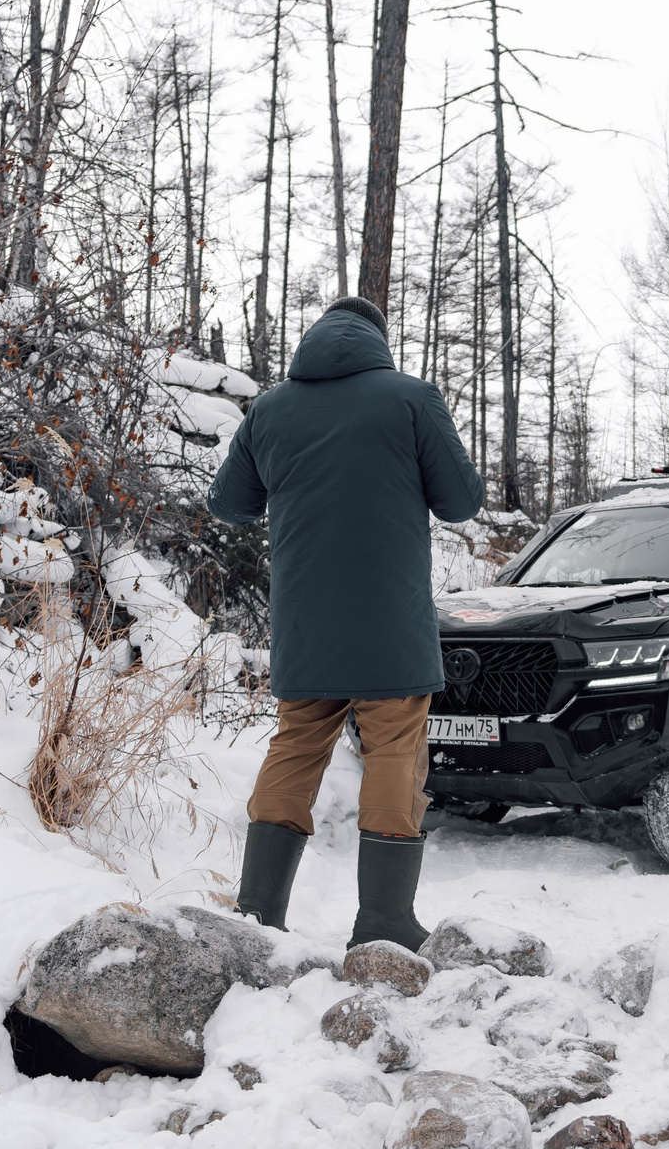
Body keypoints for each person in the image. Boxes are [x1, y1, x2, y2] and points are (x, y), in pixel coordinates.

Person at [208, 295, 485, 949]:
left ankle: (258, 917)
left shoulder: (271, 408)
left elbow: (228, 504)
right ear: (377, 341)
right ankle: (384, 920)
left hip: (306, 623)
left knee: (296, 745)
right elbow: (462, 500)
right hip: (390, 621)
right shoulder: (412, 398)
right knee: (394, 748)